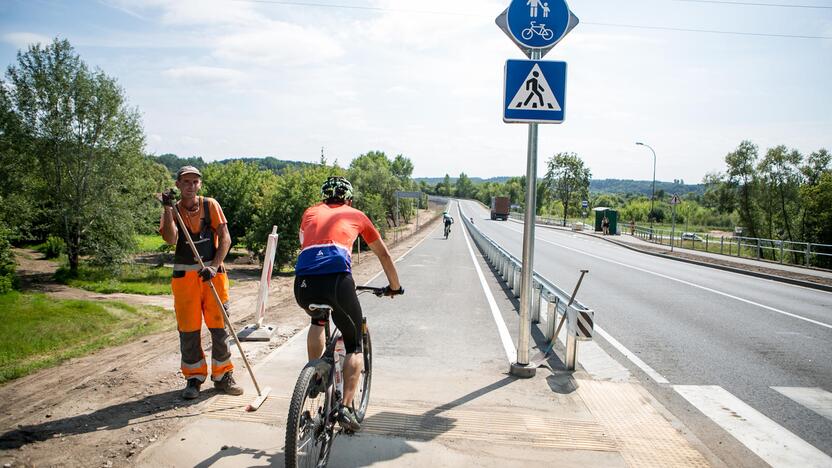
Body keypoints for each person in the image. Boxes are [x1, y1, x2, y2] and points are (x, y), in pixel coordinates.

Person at [294, 176, 403, 432]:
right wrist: (395, 287)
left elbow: (305, 244)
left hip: (303, 284)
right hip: (337, 282)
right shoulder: (356, 214)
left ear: (324, 197)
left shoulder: (310, 212)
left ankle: (316, 375)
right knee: (354, 343)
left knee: (318, 320)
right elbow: (383, 254)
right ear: (349, 199)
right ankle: (344, 407)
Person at [159, 166, 243, 400]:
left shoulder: (210, 205)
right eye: (186, 182)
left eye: (195, 181)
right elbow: (170, 238)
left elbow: (225, 238)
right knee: (189, 331)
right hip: (185, 280)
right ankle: (194, 378)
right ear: (178, 185)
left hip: (213, 277)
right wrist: (167, 208)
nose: (190, 186)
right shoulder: (173, 210)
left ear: (200, 184)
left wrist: (214, 266)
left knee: (219, 328)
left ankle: (223, 375)